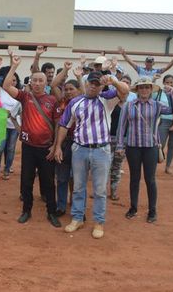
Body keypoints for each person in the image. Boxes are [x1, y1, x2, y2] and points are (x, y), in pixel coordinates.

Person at [55, 71, 128, 239]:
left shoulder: (107, 99)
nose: (94, 86)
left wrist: (113, 81)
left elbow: (125, 91)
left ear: (101, 86)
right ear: (86, 84)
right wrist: (58, 146)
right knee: (79, 187)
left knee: (100, 189)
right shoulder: (75, 102)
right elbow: (64, 125)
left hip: (101, 150)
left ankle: (99, 222)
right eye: (91, 83)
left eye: (97, 84)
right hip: (79, 149)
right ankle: (77, 218)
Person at [3, 55, 61, 228]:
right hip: (28, 147)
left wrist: (55, 146)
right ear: (31, 82)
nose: (36, 83)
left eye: (40, 81)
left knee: (49, 182)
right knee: (26, 181)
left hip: (46, 149)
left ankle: (51, 212)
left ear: (45, 83)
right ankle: (26, 210)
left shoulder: (52, 100)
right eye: (34, 80)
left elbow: (58, 125)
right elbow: (6, 86)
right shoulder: (25, 97)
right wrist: (13, 66)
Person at [116, 77, 173, 223]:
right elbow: (121, 126)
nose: (144, 90)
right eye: (141, 87)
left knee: (150, 179)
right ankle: (133, 207)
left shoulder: (157, 105)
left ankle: (152, 210)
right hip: (133, 146)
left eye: (147, 87)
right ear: (137, 90)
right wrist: (119, 145)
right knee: (134, 178)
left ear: (151, 89)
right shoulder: (129, 106)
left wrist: (170, 95)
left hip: (150, 147)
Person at [0, 63, 21, 180]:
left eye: (14, 80)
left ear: (17, 82)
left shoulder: (20, 94)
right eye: (10, 80)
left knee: (11, 149)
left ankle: (7, 170)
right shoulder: (1, 91)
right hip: (1, 125)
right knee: (0, 148)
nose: (12, 82)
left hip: (14, 126)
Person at [55, 78, 82, 215]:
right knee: (61, 176)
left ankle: (77, 204)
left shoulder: (84, 102)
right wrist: (57, 145)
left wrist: (79, 78)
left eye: (72, 89)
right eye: (66, 89)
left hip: (79, 143)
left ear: (78, 90)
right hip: (64, 142)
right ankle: (61, 206)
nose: (69, 92)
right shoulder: (62, 102)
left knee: (77, 177)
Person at [155, 74, 173, 174]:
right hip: (164, 120)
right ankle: (154, 165)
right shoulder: (159, 93)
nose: (169, 84)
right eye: (167, 82)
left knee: (172, 145)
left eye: (171, 82)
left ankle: (168, 167)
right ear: (163, 83)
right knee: (160, 144)